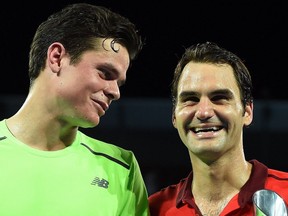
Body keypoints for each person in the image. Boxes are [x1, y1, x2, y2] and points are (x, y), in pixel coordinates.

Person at [0, 3, 150, 216]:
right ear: (57, 57)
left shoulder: (122, 169)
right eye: (105, 73)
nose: (115, 92)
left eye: (119, 82)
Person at [148, 41, 288, 215]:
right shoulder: (154, 209)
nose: (204, 112)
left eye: (219, 97)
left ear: (247, 111)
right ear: (174, 116)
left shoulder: (285, 194)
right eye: (190, 98)